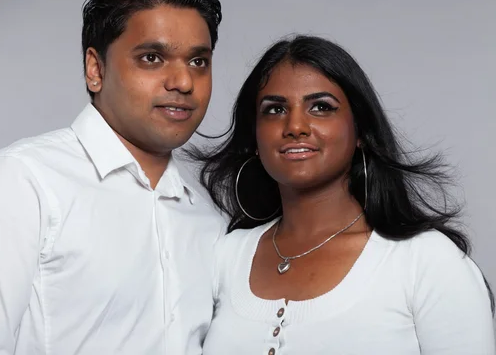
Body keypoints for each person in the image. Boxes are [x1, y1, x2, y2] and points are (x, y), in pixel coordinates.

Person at [0, 0, 224, 354]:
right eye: (152, 58)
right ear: (95, 69)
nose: (183, 82)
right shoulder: (22, 184)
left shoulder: (208, 215)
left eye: (198, 61)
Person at [193, 35, 495, 354]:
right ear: (254, 136)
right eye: (275, 109)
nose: (295, 125)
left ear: (360, 132)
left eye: (321, 107)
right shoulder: (225, 258)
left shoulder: (427, 262)